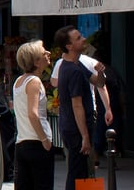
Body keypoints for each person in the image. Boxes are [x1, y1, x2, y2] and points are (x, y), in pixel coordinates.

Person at [51, 27, 94, 189]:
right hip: (75, 129)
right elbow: (77, 104)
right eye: (78, 38)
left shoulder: (69, 66)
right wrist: (85, 136)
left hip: (69, 126)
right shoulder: (73, 70)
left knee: (81, 172)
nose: (83, 39)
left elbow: (98, 81)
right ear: (69, 46)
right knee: (77, 173)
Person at [12, 40, 53, 190]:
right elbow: (33, 114)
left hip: (22, 142)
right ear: (36, 61)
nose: (48, 54)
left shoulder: (19, 81)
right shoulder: (34, 81)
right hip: (36, 142)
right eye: (44, 53)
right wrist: (45, 140)